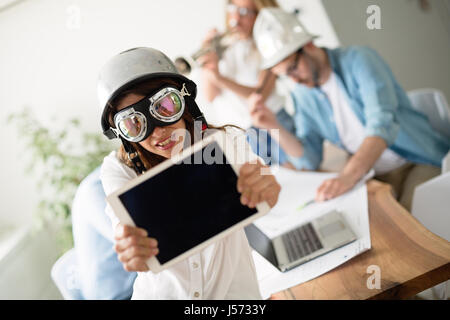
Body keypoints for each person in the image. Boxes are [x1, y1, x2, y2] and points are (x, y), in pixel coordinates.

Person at [97, 47, 281, 299]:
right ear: (123, 136)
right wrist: (130, 245)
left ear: (185, 103)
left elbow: (261, 189)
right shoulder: (120, 169)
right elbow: (123, 224)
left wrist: (265, 189)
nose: (158, 131)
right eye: (133, 124)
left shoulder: (224, 145)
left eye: (165, 106)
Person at [250, 8, 450, 211]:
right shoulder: (302, 95)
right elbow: (309, 160)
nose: (294, 80)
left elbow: (382, 125)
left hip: (414, 161)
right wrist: (272, 126)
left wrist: (346, 176)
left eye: (292, 68)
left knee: (411, 223)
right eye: (285, 75)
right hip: (372, 172)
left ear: (308, 45)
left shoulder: (360, 60)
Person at [198, 0, 296, 166]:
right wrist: (207, 55)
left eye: (245, 12)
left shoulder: (269, 44)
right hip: (242, 132)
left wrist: (219, 78)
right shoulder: (220, 46)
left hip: (272, 121)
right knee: (271, 183)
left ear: (260, 15)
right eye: (233, 8)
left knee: (301, 172)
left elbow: (260, 94)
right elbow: (210, 95)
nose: (235, 17)